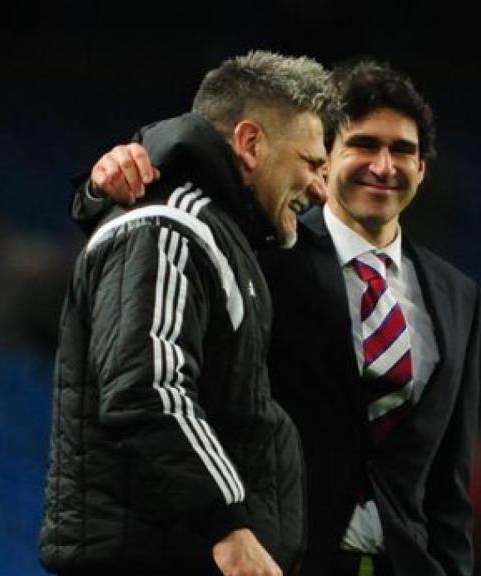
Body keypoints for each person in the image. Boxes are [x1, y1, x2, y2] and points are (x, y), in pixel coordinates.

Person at [85, 60, 481, 576]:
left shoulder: (457, 294)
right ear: (325, 156)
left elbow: (450, 481)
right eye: (363, 145)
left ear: (422, 169)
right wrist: (109, 179)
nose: (384, 166)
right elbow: (186, 199)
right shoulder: (268, 250)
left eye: (402, 150)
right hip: (280, 559)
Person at [39, 50, 341, 576]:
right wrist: (228, 528)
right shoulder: (169, 227)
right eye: (312, 163)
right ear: (250, 143)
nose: (320, 188)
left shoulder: (218, 237)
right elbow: (147, 389)